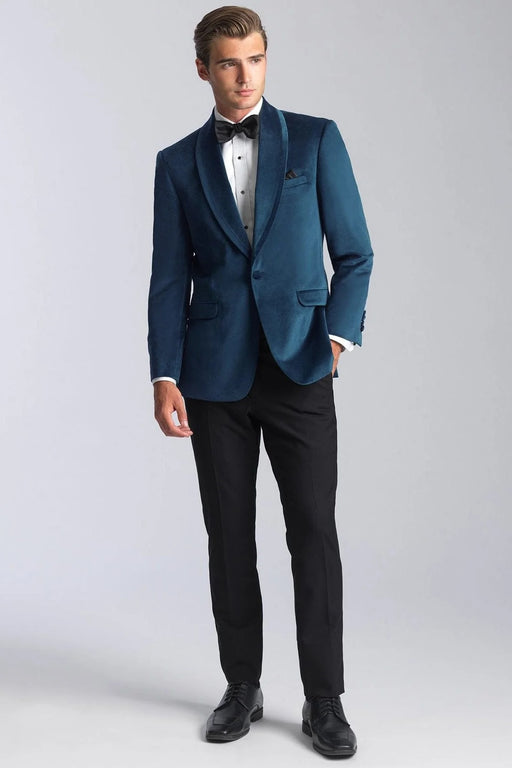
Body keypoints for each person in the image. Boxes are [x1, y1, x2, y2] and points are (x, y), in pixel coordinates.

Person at [147, 5, 373, 759]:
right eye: (228, 63)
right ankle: (241, 685)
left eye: (255, 60)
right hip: (214, 378)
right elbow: (168, 279)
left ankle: (325, 699)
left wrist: (336, 337)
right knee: (229, 538)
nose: (244, 77)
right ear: (203, 69)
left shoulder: (313, 139)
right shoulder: (177, 164)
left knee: (313, 533)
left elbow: (355, 254)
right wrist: (165, 372)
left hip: (301, 366)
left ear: (266, 61)